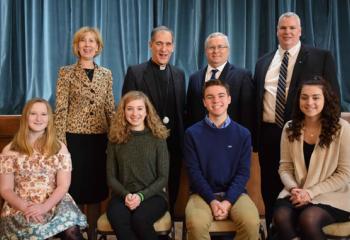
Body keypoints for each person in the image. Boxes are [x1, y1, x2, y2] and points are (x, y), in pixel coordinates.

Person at [253, 11, 341, 229]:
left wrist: (326, 133)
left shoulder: (321, 57)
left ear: (300, 31)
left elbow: (334, 99)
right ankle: (277, 230)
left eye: (292, 28)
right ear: (276, 31)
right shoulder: (263, 62)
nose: (287, 32)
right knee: (271, 188)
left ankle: (305, 228)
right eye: (283, 28)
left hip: (308, 135)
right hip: (270, 133)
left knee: (306, 188)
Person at [54, 26, 115, 239]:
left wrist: (115, 139)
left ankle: (96, 232)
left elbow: (110, 109)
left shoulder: (106, 74)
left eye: (92, 41)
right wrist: (61, 143)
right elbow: (60, 109)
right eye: (83, 41)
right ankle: (77, 232)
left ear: (98, 47)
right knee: (76, 189)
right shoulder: (66, 72)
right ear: (77, 46)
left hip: (99, 140)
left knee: (97, 190)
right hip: (74, 139)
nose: (88, 45)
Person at [272, 76, 350, 240]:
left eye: (316, 97)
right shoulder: (290, 127)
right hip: (296, 191)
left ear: (325, 100)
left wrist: (311, 192)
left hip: (332, 194)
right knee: (280, 216)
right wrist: (294, 189)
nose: (309, 102)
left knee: (309, 219)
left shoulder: (342, 128)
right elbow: (285, 168)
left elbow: (345, 174)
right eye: (304, 97)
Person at [0, 98, 87, 239]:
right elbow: (6, 189)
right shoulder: (10, 150)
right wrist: (26, 208)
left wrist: (44, 207)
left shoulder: (59, 148)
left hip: (54, 201)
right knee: (33, 231)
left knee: (71, 230)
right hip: (21, 204)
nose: (38, 118)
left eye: (44, 114)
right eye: (33, 114)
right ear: (25, 117)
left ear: (49, 119)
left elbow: (63, 185)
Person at [184, 80, 260, 240]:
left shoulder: (243, 134)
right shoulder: (192, 134)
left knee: (252, 223)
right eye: (210, 97)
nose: (216, 101)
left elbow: (243, 173)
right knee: (196, 225)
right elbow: (194, 173)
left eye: (221, 96)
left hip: (235, 194)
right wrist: (212, 200)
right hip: (201, 194)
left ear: (229, 99)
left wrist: (227, 202)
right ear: (204, 102)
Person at [122, 26, 185, 214]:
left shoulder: (180, 74)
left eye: (168, 44)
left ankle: (170, 219)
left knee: (172, 183)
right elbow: (128, 111)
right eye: (159, 43)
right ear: (150, 45)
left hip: (173, 142)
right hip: (145, 141)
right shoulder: (136, 72)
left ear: (173, 47)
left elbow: (182, 111)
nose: (163, 49)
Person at [106, 91, 169, 240]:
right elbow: (111, 177)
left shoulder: (158, 137)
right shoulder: (115, 139)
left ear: (147, 111)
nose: (135, 113)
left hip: (154, 196)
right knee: (119, 219)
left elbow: (163, 177)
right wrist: (127, 195)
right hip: (122, 196)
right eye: (130, 108)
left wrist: (141, 196)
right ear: (123, 111)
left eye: (140, 108)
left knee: (139, 220)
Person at [186, 32, 255, 136]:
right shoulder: (194, 78)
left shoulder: (242, 76)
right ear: (205, 51)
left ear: (228, 50)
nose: (216, 51)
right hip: (199, 138)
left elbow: (247, 114)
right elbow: (190, 113)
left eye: (220, 47)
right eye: (211, 47)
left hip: (231, 137)